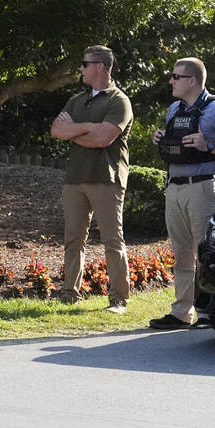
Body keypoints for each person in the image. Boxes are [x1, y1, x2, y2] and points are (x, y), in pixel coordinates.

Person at [150, 57, 215, 329]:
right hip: (174, 187)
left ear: (192, 80)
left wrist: (208, 145)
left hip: (202, 187)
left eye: (175, 77)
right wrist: (162, 139)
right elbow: (175, 146)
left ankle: (211, 310)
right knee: (181, 252)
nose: (170, 81)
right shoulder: (174, 109)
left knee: (206, 253)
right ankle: (181, 313)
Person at [50, 45, 133, 313]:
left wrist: (73, 130)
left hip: (106, 179)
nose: (80, 69)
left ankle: (119, 299)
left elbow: (103, 139)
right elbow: (56, 130)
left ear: (99, 66)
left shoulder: (118, 101)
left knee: (112, 240)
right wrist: (86, 127)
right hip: (75, 178)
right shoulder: (76, 100)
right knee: (73, 239)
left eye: (84, 64)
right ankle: (69, 293)